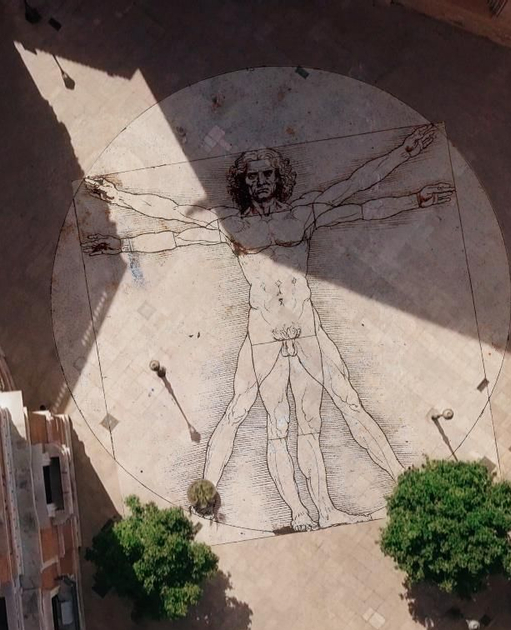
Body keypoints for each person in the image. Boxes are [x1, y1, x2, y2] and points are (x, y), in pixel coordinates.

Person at [82, 124, 453, 530]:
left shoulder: (305, 213)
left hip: (307, 328)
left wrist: (408, 169)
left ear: (280, 178)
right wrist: (118, 214)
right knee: (256, 417)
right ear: (243, 182)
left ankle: (365, 496)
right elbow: (174, 226)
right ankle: (280, 508)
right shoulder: (231, 225)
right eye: (252, 176)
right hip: (263, 337)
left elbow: (358, 193)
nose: (260, 183)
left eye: (267, 175)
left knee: (337, 411)